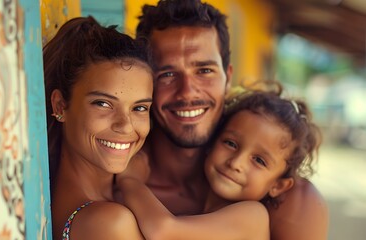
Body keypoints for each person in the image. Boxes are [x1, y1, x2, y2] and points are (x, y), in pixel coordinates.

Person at [135, 0, 329, 239]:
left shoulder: (285, 201)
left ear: (228, 78)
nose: (187, 92)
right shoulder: (112, 173)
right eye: (167, 74)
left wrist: (128, 182)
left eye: (204, 70)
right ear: (144, 82)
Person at [118, 84, 322, 239]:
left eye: (259, 160)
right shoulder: (197, 210)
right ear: (211, 143)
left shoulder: (253, 216)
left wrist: (130, 179)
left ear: (278, 185)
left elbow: (162, 230)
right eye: (231, 144)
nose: (236, 163)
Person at [43, 16, 153, 239]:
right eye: (103, 104)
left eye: (139, 108)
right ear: (60, 106)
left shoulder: (105, 204)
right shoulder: (108, 223)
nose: (125, 125)